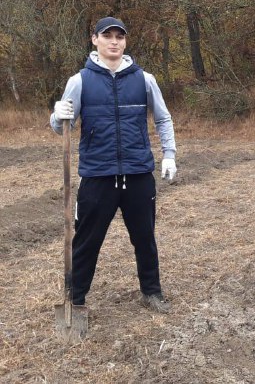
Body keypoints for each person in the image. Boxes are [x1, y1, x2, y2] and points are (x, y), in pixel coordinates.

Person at [50, 16, 177, 313]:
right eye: (107, 36)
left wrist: (169, 153)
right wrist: (58, 115)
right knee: (86, 243)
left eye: (119, 36)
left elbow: (163, 117)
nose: (114, 42)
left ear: (125, 41)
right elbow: (59, 128)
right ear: (95, 39)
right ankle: (76, 301)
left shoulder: (144, 79)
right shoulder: (79, 81)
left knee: (145, 239)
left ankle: (151, 292)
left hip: (137, 173)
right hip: (98, 176)